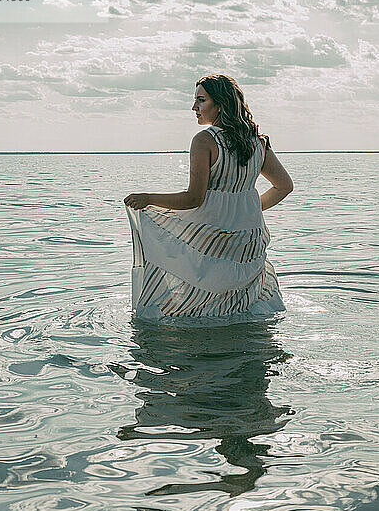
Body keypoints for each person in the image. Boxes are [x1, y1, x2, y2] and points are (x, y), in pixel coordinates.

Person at [124, 73, 293, 323]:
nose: (194, 107)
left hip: (214, 235)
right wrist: (247, 211)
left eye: (201, 101)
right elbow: (284, 186)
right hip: (248, 237)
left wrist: (148, 198)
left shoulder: (205, 140)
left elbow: (193, 199)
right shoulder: (257, 142)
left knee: (200, 303)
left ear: (220, 104)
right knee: (239, 306)